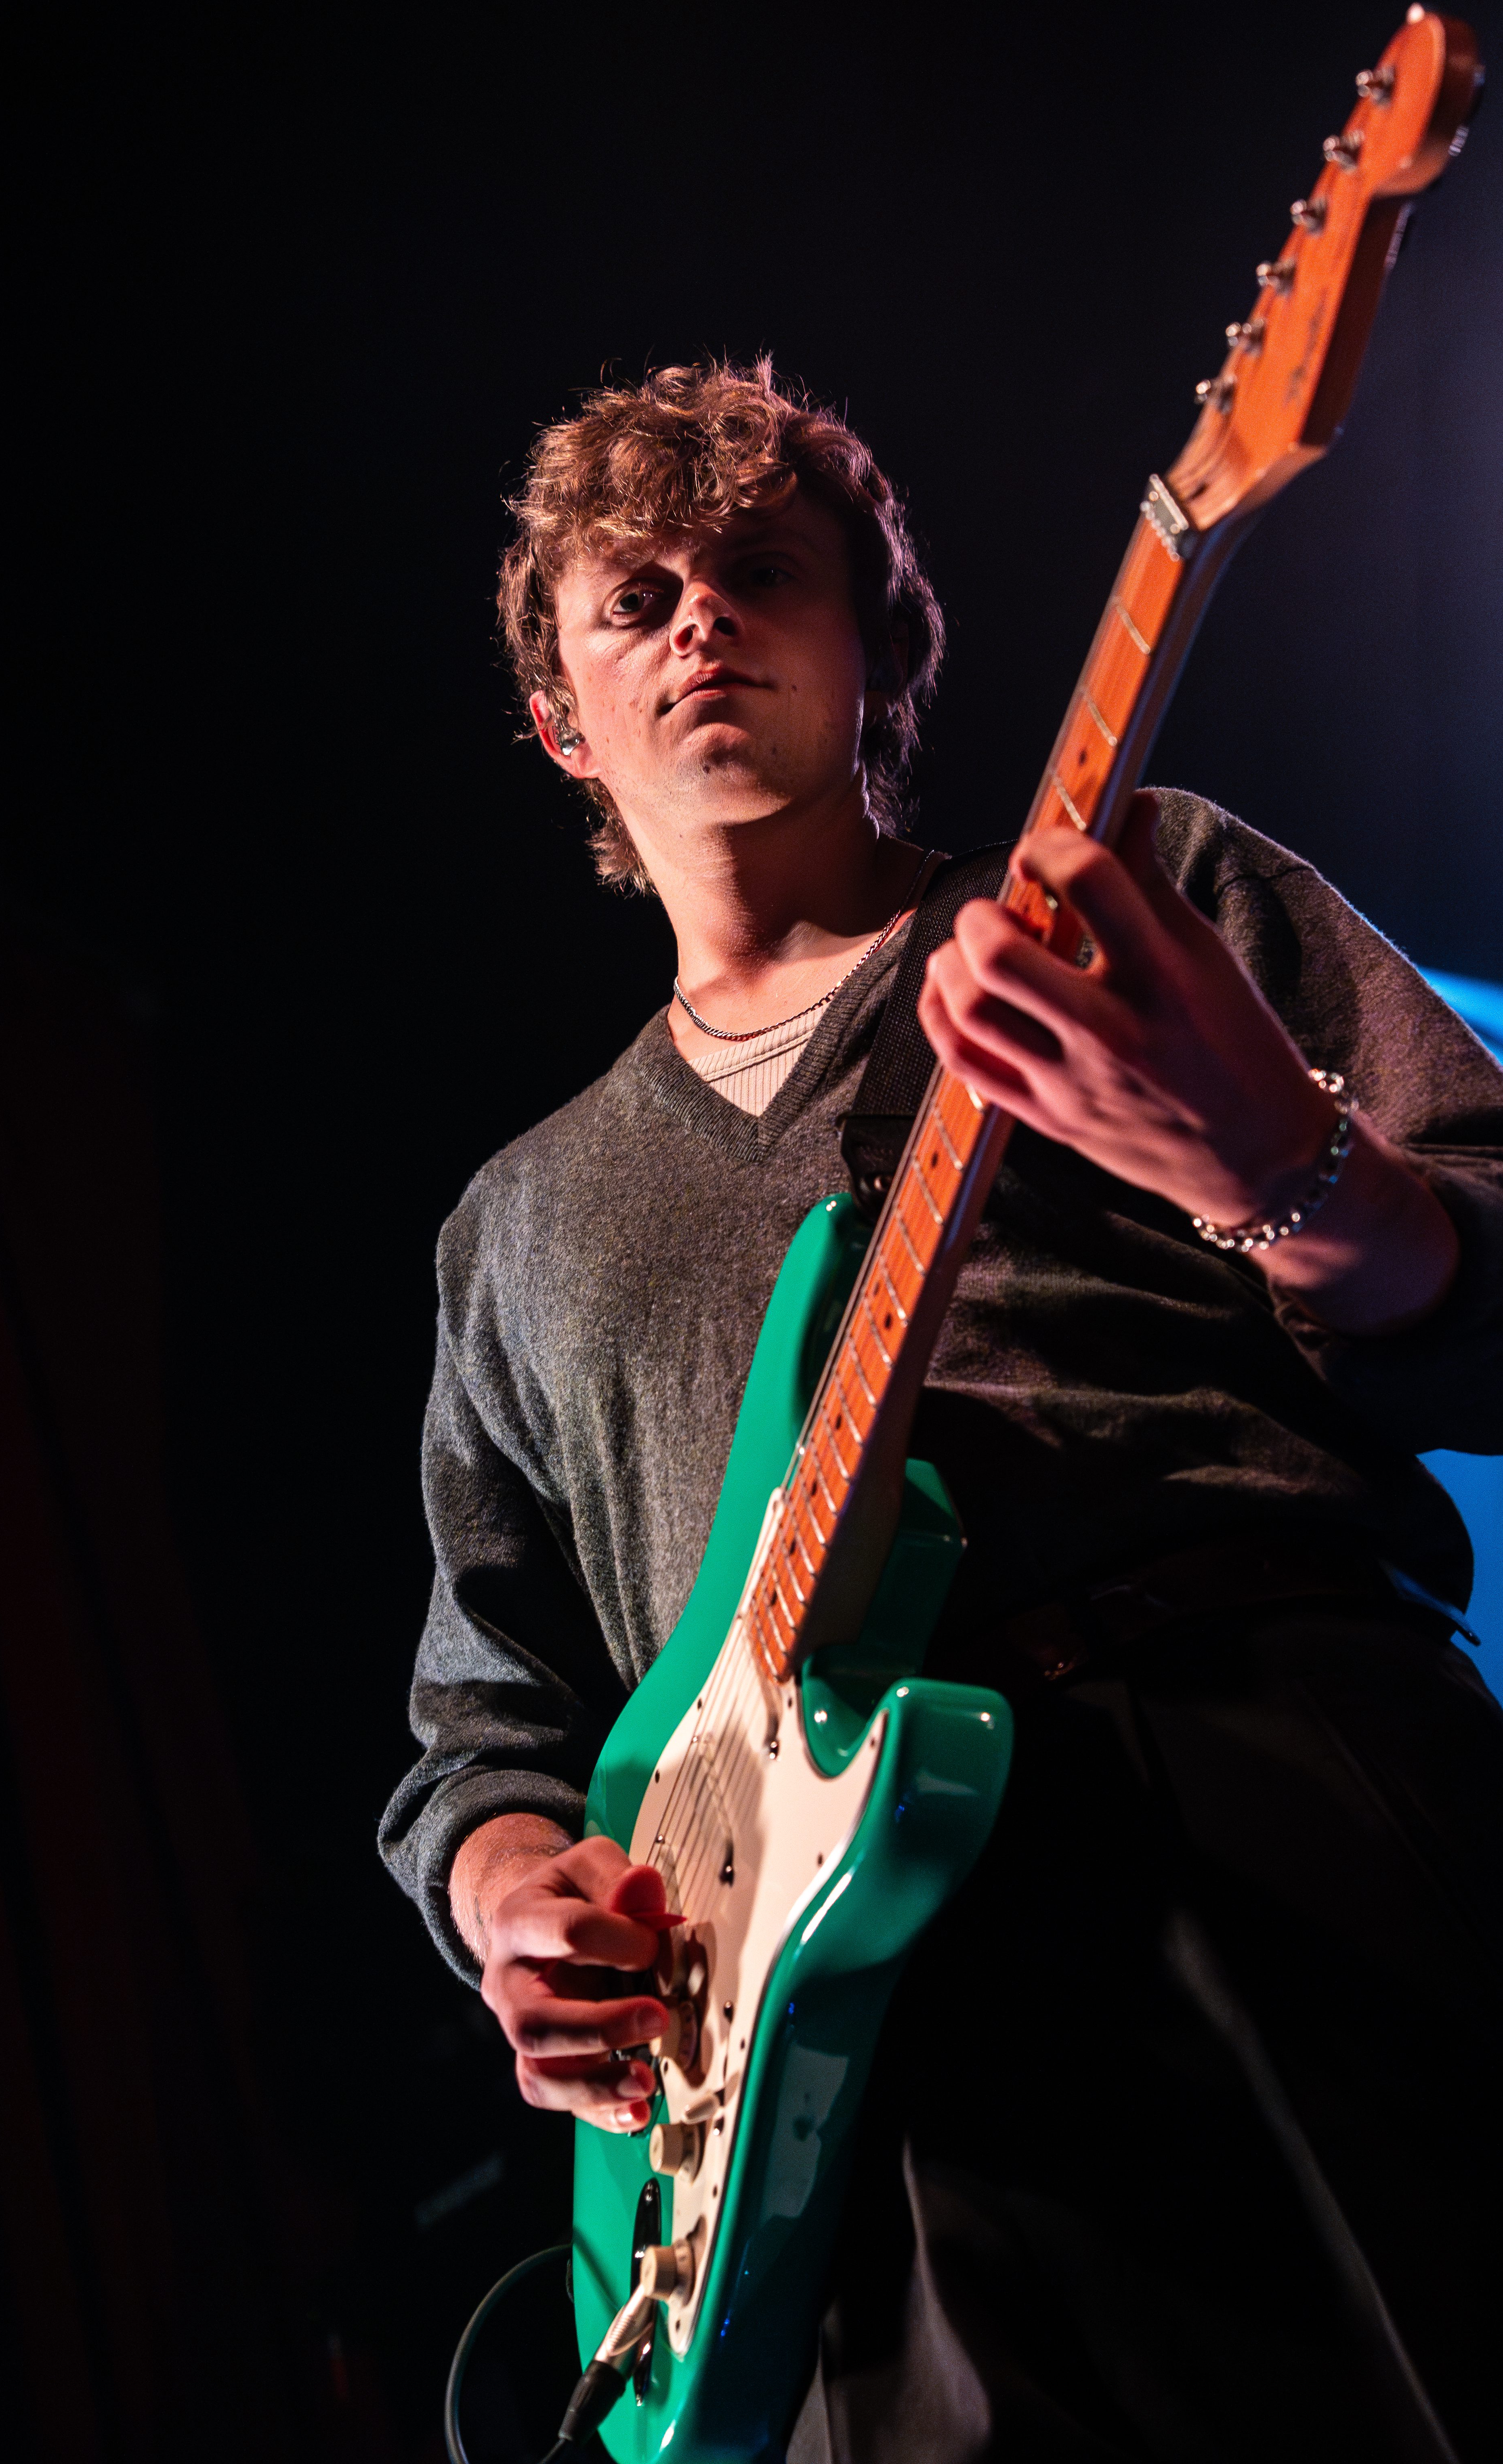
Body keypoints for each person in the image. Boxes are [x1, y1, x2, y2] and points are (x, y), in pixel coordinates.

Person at [380, 360, 1503, 2462]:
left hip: (1253, 1808)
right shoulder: (513, 1223)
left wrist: (1291, 1176)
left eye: (763, 570)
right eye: (636, 595)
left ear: (874, 646)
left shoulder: (1131, 895)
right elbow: (486, 1718)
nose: (701, 616)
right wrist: (516, 1892)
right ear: (559, 718)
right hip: (807, 2050)